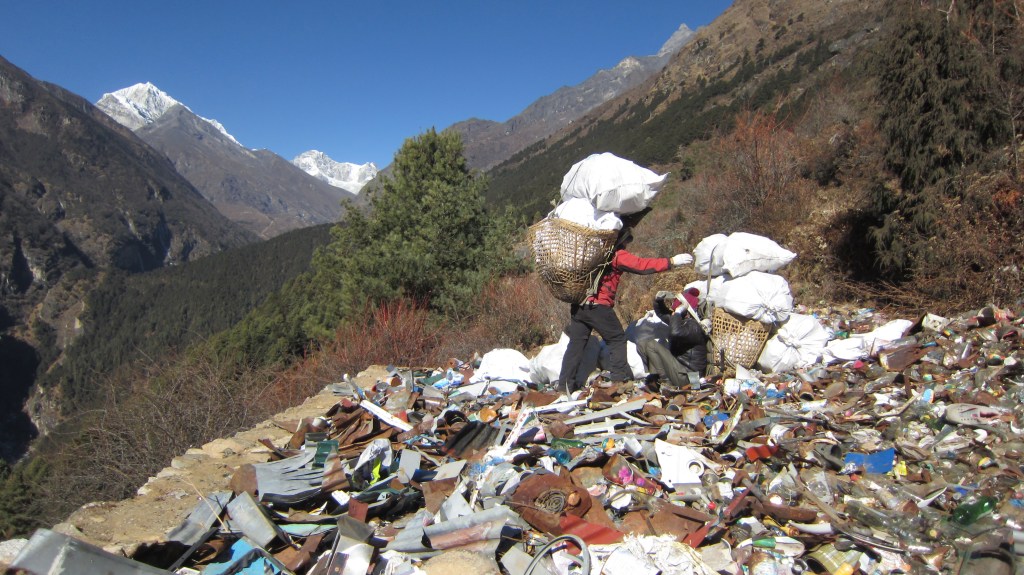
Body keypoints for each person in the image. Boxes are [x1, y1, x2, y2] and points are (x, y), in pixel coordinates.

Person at [558, 226, 693, 393]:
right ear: (620, 240)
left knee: (576, 345)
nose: (627, 246)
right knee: (616, 339)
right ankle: (619, 380)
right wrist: (671, 262)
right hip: (598, 306)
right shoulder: (615, 255)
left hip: (579, 306)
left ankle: (564, 385)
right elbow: (641, 266)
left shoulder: (590, 255)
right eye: (626, 242)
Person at [637, 287, 710, 390]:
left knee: (651, 345)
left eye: (675, 311)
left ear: (685, 311)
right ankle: (655, 378)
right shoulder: (682, 322)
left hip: (689, 377)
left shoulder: (694, 327)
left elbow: (675, 332)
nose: (673, 313)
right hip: (680, 371)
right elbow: (663, 314)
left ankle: (666, 383)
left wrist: (677, 313)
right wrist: (659, 301)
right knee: (642, 343)